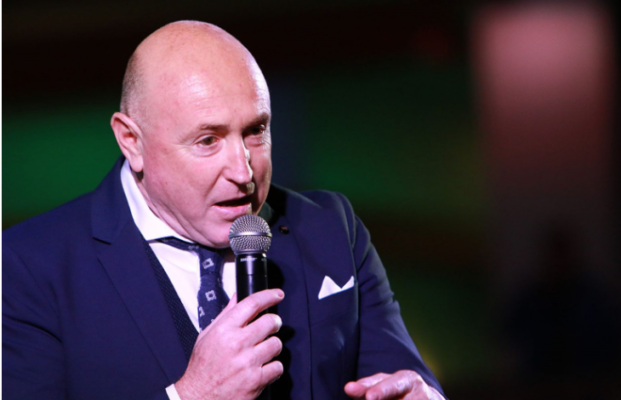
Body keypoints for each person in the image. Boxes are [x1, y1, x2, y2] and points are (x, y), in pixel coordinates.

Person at [3, 21, 446, 400]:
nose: (243, 171)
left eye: (255, 131)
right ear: (131, 141)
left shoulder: (331, 228)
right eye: (208, 140)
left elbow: (404, 378)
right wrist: (192, 396)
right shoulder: (27, 267)